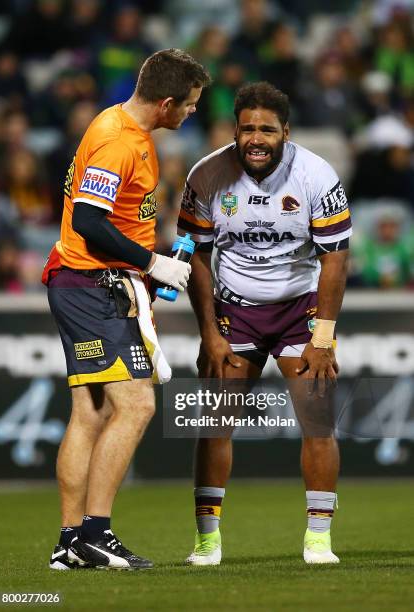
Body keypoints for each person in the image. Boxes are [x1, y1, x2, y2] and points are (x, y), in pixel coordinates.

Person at [45, 48, 210, 571]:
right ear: (165, 103)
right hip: (92, 285)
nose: (190, 114)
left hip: (87, 280)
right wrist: (152, 263)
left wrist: (144, 265)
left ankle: (71, 543)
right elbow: (91, 222)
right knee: (136, 404)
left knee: (91, 412)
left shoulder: (116, 124)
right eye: (188, 105)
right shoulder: (120, 142)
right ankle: (96, 534)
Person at [177, 82, 351, 566]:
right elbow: (195, 255)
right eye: (247, 128)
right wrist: (209, 331)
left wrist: (324, 336)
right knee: (214, 425)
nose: (256, 138)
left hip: (300, 309)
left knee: (318, 422)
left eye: (266, 130)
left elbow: (335, 257)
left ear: (285, 132)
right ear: (234, 130)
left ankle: (318, 539)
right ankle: (207, 541)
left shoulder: (317, 175)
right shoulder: (206, 174)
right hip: (236, 309)